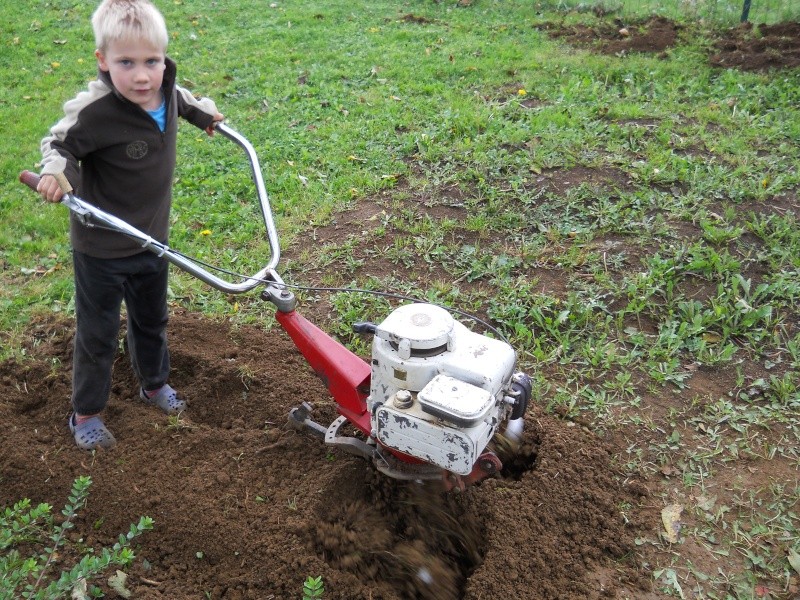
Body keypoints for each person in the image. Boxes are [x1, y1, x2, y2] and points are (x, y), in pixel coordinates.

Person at [35, 0, 224, 450]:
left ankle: (154, 384)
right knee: (98, 333)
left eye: (151, 62)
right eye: (126, 63)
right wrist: (56, 174)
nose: (142, 76)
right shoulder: (96, 111)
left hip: (152, 241)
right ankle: (86, 414)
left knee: (151, 319)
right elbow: (60, 143)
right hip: (101, 249)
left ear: (163, 57)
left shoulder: (164, 91)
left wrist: (205, 114)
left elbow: (182, 100)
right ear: (102, 61)